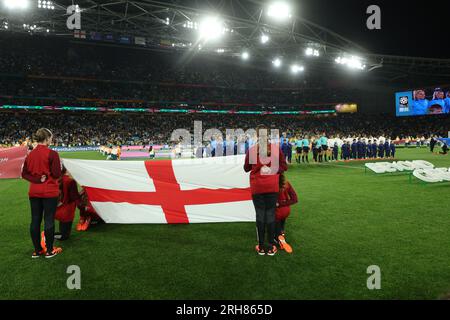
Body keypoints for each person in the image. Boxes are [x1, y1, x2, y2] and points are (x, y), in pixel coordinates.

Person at [244, 126, 288, 256]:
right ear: (268, 135)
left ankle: (262, 247)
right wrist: (273, 170)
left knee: (260, 215)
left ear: (257, 135)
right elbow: (284, 167)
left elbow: (246, 168)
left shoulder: (252, 150)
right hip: (271, 186)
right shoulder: (275, 149)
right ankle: (270, 246)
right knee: (270, 214)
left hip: (257, 187)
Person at [21, 128, 63, 258]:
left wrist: (37, 179)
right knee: (49, 220)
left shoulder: (30, 154)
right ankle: (50, 250)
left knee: (35, 220)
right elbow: (56, 174)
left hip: (34, 191)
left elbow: (24, 174)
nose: (52, 140)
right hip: (49, 191)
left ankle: (38, 251)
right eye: (51, 137)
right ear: (47, 138)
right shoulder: (52, 154)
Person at [274, 173, 298, 254]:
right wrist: (283, 203)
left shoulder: (271, 184)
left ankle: (279, 239)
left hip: (276, 211)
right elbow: (295, 199)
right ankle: (282, 233)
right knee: (281, 222)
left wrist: (278, 204)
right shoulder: (286, 183)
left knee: (272, 225)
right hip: (286, 210)